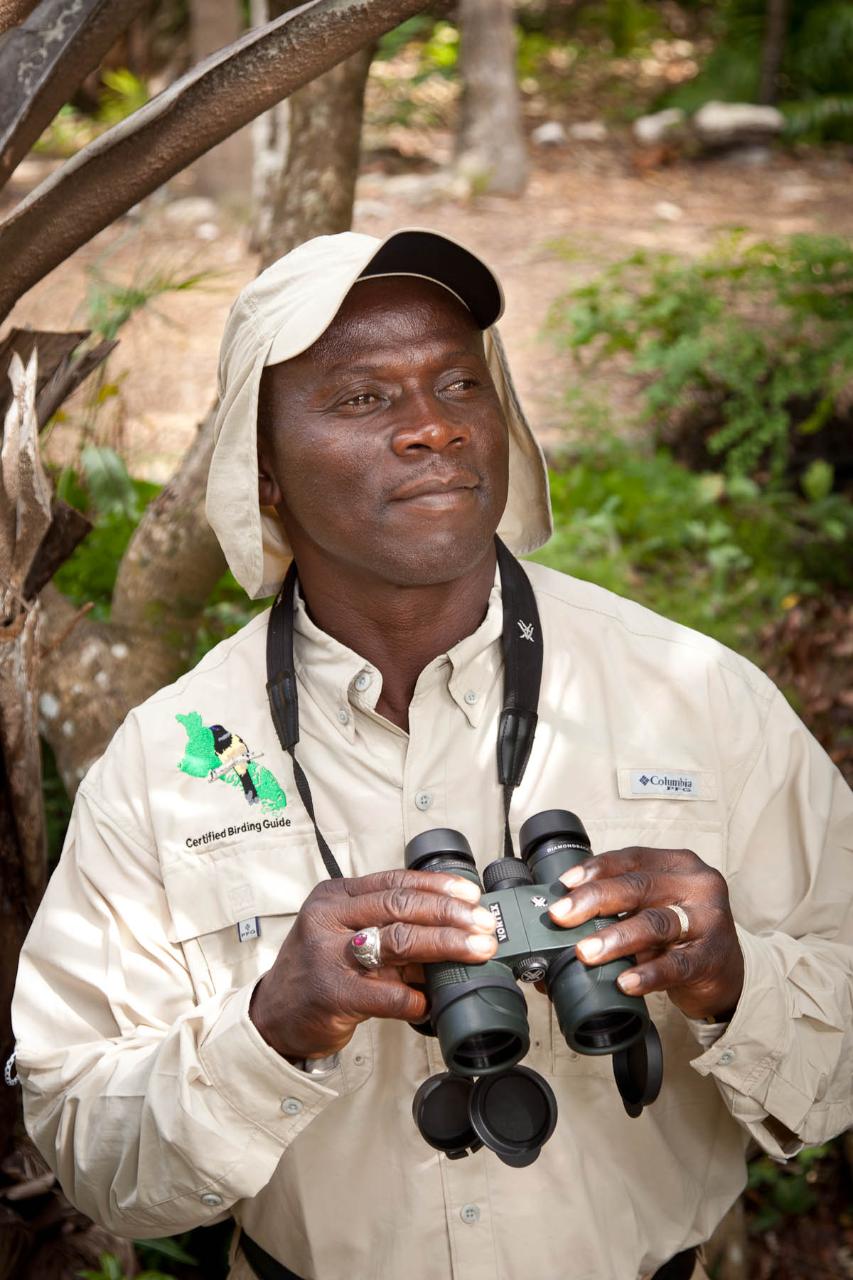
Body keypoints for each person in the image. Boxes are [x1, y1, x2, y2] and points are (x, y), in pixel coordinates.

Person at [11, 229, 852, 1280]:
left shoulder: (693, 696)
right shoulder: (170, 761)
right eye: (364, 397)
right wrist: (274, 1026)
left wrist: (735, 982)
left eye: (460, 382)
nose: (432, 429)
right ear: (261, 469)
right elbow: (89, 1149)